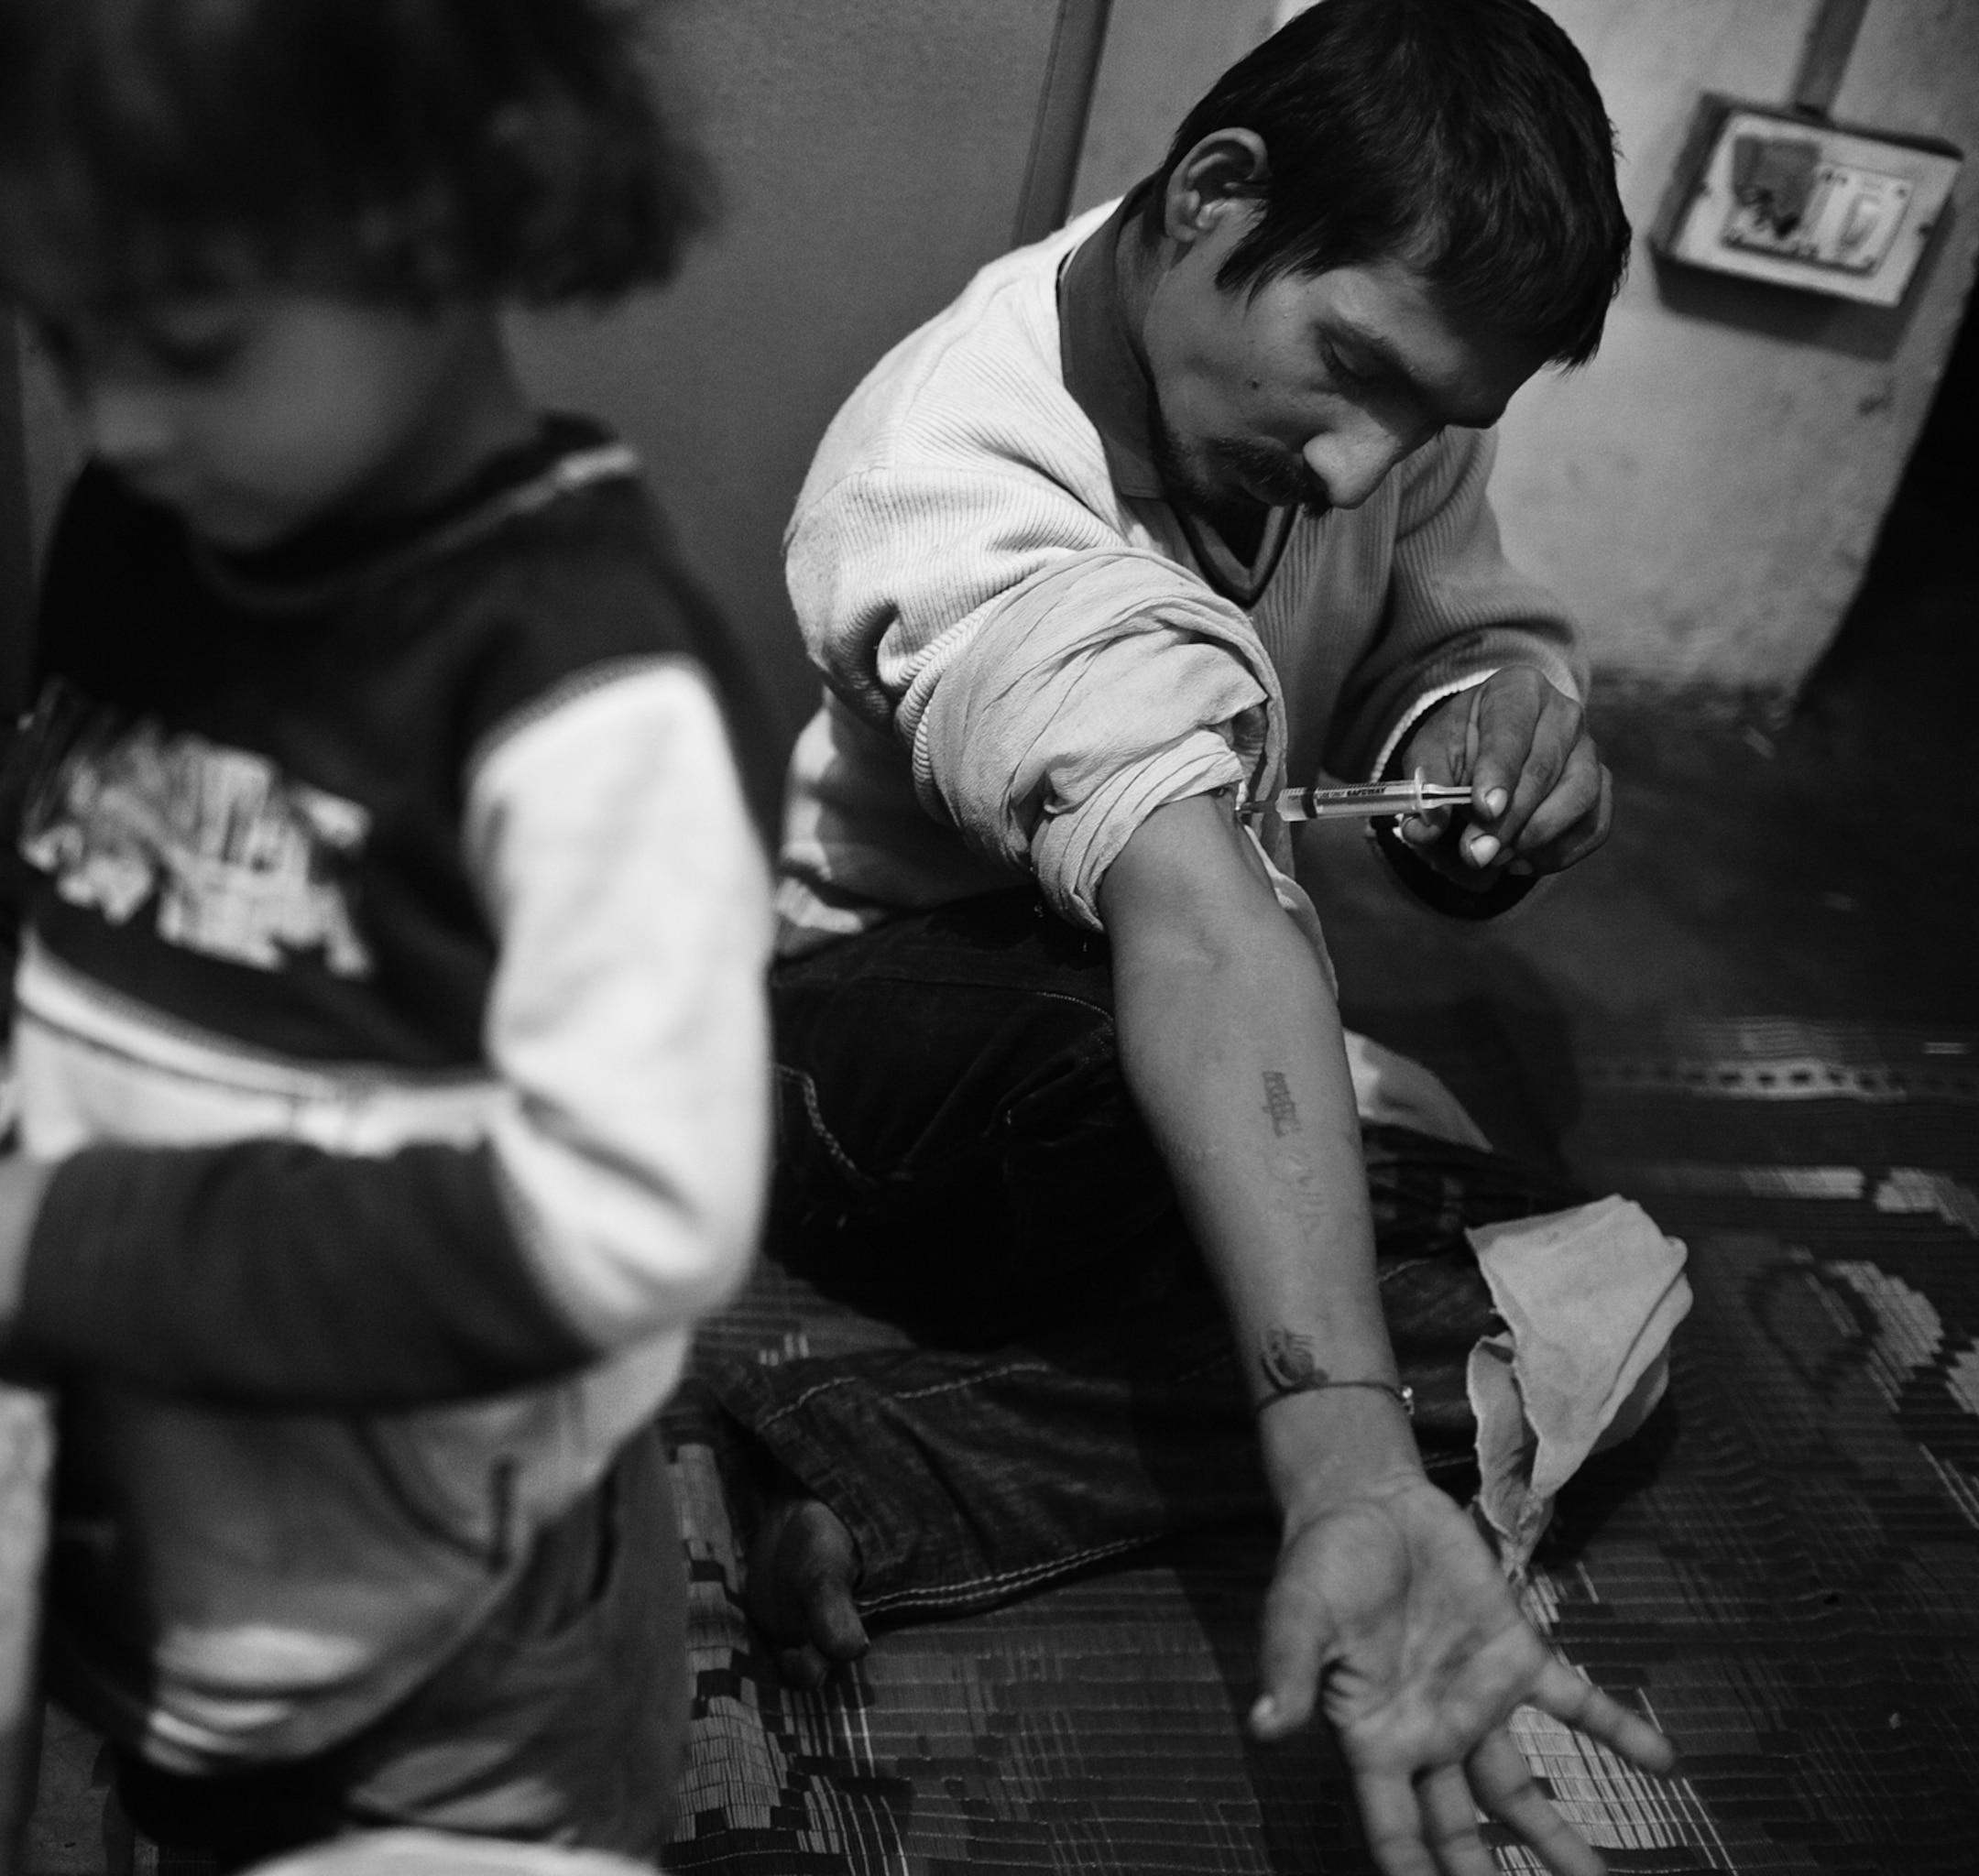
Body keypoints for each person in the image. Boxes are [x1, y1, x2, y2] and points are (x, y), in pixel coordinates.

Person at [693, 2, 1680, 1873]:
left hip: (1179, 1004)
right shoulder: (959, 468)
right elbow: (1204, 923)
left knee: (1591, 1291)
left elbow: (1452, 636)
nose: (1355, 474)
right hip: (880, 1055)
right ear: (1216, 195)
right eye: (1350, 372)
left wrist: (1489, 735)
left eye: (1433, 425)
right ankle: (1292, 1416)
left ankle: (870, 1472)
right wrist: (1345, 1451)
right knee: (1189, 1109)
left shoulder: (1373, 404)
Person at [0, 1, 780, 1864]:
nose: (113, 418)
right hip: (182, 1537)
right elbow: (59, 806)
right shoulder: (141, 522)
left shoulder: (584, 698)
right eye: (66, 331)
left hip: (453, 1652)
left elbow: (630, 1216)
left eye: (186, 342)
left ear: (451, 206)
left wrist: (84, 1234)